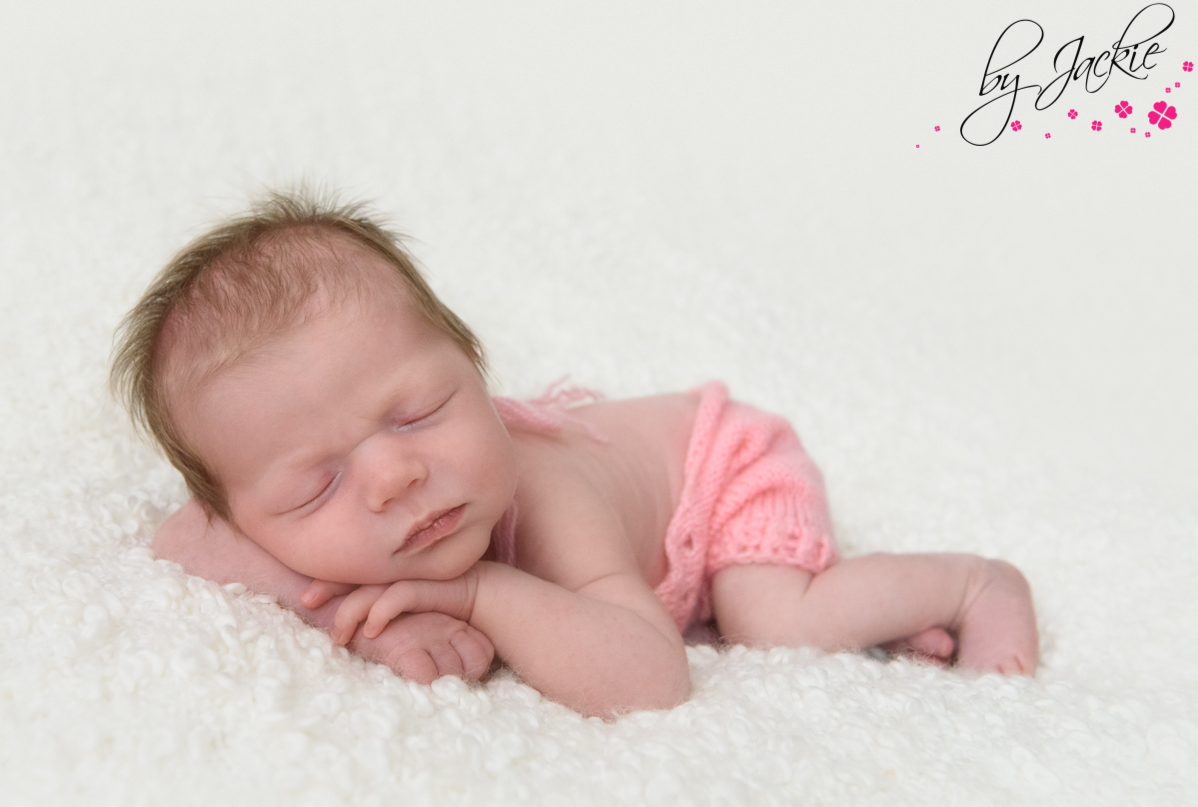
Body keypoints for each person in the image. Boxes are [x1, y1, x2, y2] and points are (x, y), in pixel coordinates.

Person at [111, 191, 1039, 718]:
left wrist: (480, 594)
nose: (396, 476)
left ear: (473, 372)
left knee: (771, 623)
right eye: (318, 485)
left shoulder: (542, 500)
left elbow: (653, 678)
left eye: (421, 412)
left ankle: (970, 585)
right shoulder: (255, 513)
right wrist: (383, 620)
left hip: (725, 472)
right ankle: (884, 622)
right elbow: (184, 542)